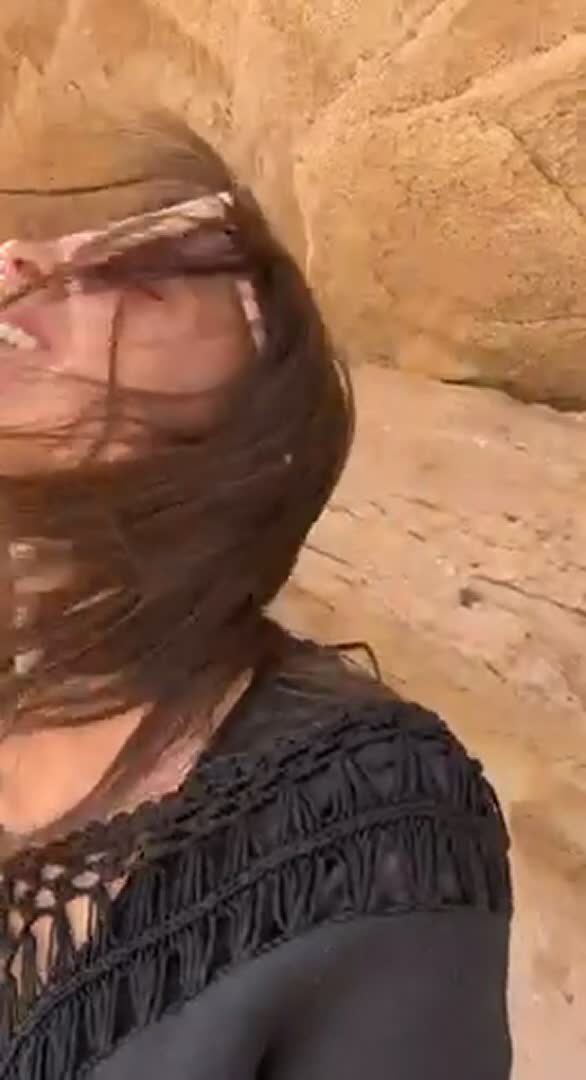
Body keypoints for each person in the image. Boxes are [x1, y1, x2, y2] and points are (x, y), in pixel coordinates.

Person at [0, 124, 512, 1079]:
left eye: (145, 279)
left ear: (224, 464)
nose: (21, 260)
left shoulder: (363, 822)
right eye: (55, 248)